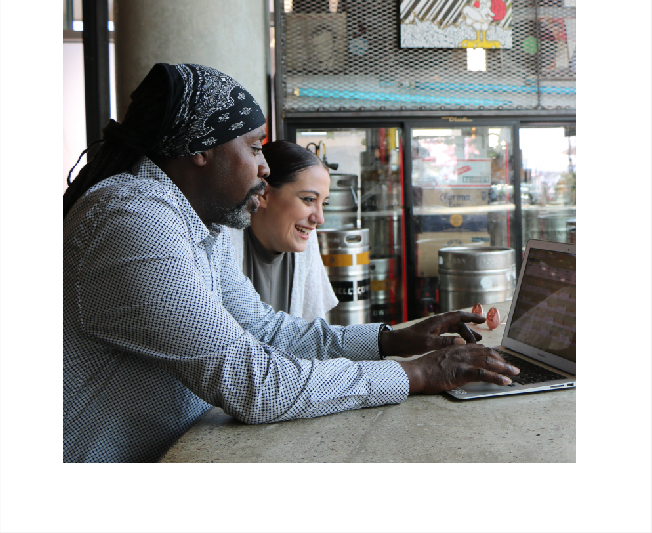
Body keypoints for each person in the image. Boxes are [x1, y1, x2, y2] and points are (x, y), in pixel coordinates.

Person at [63, 62, 519, 463]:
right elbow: (253, 384)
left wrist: (392, 340)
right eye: (255, 147)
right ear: (201, 149)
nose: (264, 167)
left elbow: (264, 330)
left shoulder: (201, 222)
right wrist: (419, 372)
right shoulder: (131, 217)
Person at [227, 140, 337, 322]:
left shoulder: (306, 243)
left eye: (324, 203)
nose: (319, 218)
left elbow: (309, 330)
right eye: (309, 199)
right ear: (263, 194)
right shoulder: (222, 243)